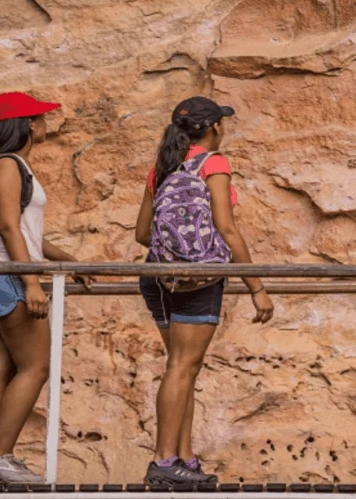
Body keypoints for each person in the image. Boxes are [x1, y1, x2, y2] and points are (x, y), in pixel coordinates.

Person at [135, 96, 275, 485]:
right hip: (199, 278)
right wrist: (256, 288)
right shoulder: (214, 164)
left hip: (158, 277)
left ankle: (184, 458)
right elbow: (227, 229)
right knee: (183, 366)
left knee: (181, 367)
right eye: (222, 124)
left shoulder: (160, 168)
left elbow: (141, 234)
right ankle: (164, 462)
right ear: (214, 128)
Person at [0, 92, 92, 484]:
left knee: (0, 371)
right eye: (39, 119)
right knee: (36, 367)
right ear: (26, 125)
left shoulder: (7, 165)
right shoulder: (7, 166)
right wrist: (31, 282)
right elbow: (7, 228)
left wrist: (69, 260)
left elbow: (25, 233)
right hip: (7, 277)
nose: (44, 125)